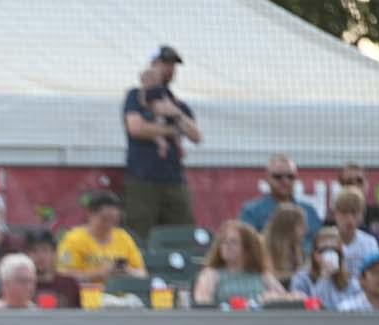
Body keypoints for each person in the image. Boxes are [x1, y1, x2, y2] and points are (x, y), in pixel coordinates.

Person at [121, 46, 200, 233]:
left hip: (174, 179)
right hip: (143, 179)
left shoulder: (177, 103)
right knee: (140, 232)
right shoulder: (136, 97)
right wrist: (172, 130)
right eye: (165, 63)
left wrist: (176, 115)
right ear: (153, 65)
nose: (169, 69)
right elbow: (136, 128)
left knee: (181, 232)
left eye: (172, 65)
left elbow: (196, 135)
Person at [56, 191, 145, 284]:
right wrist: (100, 273)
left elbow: (142, 274)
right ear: (90, 214)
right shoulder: (73, 239)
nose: (109, 225)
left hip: (121, 295)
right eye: (104, 219)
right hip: (86, 294)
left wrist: (126, 271)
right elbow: (64, 275)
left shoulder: (124, 237)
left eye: (114, 220)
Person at [193, 221, 288, 307]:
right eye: (223, 241)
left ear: (248, 248)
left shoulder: (262, 275)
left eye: (233, 242)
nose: (226, 245)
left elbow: (285, 300)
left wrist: (272, 298)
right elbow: (203, 303)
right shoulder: (211, 274)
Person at [239, 155, 320, 238]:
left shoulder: (309, 211)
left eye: (290, 177)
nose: (285, 181)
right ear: (267, 178)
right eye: (278, 176)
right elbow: (249, 245)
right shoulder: (251, 212)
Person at [289, 226, 363, 310]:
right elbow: (304, 307)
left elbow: (357, 306)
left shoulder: (349, 280)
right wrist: (323, 279)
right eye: (324, 250)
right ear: (315, 254)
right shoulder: (302, 279)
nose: (330, 254)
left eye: (334, 250)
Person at [329, 164, 379, 240]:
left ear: (366, 184)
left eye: (359, 180)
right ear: (341, 186)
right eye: (348, 182)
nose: (355, 185)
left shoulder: (378, 213)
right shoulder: (331, 219)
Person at [331, 187, 379, 278]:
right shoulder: (326, 240)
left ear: (362, 215)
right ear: (335, 214)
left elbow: (375, 274)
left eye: (354, 213)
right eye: (344, 212)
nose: (349, 219)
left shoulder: (370, 243)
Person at [26, 231, 82, 308]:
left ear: (54, 254)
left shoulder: (70, 284)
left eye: (45, 250)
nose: (40, 256)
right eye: (34, 251)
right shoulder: (21, 285)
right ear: (27, 255)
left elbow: (80, 317)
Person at [262, 203, 308, 286]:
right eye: (301, 225)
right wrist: (298, 275)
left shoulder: (297, 249)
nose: (305, 229)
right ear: (288, 227)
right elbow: (270, 275)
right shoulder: (266, 248)